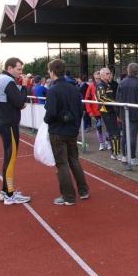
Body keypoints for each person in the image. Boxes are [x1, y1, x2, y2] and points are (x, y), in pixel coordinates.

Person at [44, 59, 90, 206]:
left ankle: (68, 196)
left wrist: (47, 120)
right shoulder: (74, 88)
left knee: (62, 164)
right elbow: (80, 110)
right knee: (74, 160)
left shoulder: (53, 90)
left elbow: (50, 114)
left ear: (52, 72)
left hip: (58, 131)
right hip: (72, 131)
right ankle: (83, 191)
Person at [0, 57, 30, 205]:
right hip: (8, 123)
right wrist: (24, 86)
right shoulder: (8, 81)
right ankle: (9, 194)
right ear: (9, 68)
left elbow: (13, 101)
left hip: (3, 121)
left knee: (8, 156)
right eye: (19, 69)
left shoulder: (0, 79)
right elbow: (20, 102)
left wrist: (17, 103)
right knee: (11, 157)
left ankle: (5, 191)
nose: (21, 72)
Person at [116, 63, 138, 166]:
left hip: (123, 112)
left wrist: (118, 113)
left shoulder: (122, 83)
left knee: (125, 134)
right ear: (137, 71)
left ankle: (124, 156)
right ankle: (133, 157)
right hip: (134, 113)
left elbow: (117, 99)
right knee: (132, 135)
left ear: (128, 70)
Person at [97, 67, 121, 161]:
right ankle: (115, 153)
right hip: (107, 112)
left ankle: (116, 152)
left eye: (110, 73)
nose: (109, 75)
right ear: (102, 75)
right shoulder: (101, 85)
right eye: (107, 73)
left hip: (111, 111)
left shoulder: (108, 84)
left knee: (115, 132)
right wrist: (115, 102)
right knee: (114, 132)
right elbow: (102, 98)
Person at [85, 71, 109, 151]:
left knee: (108, 127)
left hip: (106, 111)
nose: (97, 80)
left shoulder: (106, 85)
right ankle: (101, 143)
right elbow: (87, 100)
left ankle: (107, 141)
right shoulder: (91, 86)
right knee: (98, 127)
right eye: (96, 79)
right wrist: (89, 111)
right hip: (96, 112)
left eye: (99, 78)